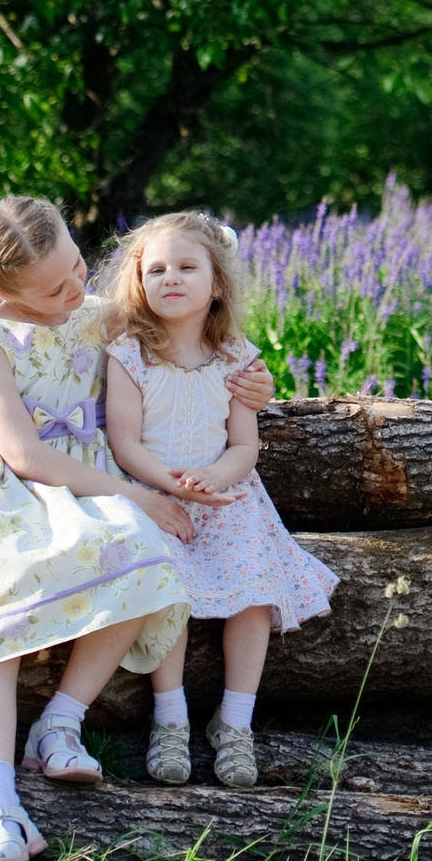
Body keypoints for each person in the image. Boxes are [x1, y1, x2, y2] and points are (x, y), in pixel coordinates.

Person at [0, 196, 267, 861]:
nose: (76, 289)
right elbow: (25, 455)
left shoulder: (90, 314)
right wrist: (136, 495)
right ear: (1, 289)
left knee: (146, 563)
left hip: (85, 491)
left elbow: (182, 305)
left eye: (76, 268)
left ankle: (60, 722)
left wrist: (250, 381)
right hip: (4, 493)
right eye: (55, 287)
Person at [102, 210, 338, 788]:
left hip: (227, 495)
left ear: (217, 284)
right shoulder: (130, 353)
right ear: (139, 283)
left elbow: (243, 445)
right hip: (157, 494)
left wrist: (214, 478)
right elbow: (124, 442)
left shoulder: (236, 357)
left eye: (187, 266)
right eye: (156, 269)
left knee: (254, 595)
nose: (171, 278)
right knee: (168, 593)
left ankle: (234, 723)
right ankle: (171, 718)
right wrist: (172, 483)